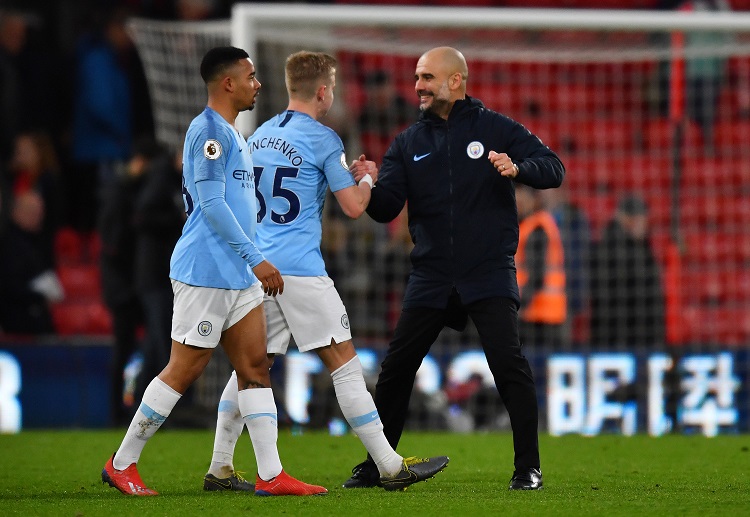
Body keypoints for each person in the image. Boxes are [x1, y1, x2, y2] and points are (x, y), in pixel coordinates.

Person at [204, 50, 448, 493]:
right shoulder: (323, 139)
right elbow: (355, 208)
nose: (333, 95)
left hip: (261, 270)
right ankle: (391, 467)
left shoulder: (258, 134)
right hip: (300, 271)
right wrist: (368, 176)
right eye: (332, 88)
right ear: (322, 91)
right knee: (344, 364)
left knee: (253, 368)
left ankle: (220, 466)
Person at [101, 46, 326, 497]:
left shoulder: (233, 134)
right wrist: (257, 257)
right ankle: (121, 463)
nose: (257, 83)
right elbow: (211, 206)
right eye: (251, 76)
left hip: (238, 276)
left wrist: (253, 259)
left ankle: (270, 474)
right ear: (228, 83)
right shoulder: (207, 132)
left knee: (255, 367)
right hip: (205, 272)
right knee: (184, 370)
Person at [346, 46, 565, 491]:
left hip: (487, 271)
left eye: (427, 77)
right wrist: (367, 182)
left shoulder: (496, 128)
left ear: (455, 81)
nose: (418, 86)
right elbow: (386, 209)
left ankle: (528, 467)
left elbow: (554, 169)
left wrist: (518, 166)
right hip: (431, 274)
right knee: (397, 367)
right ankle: (378, 464)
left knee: (508, 365)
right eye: (416, 77)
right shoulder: (408, 143)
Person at [589, 195, 666, 348]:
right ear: (627, 219)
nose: (644, 224)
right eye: (640, 218)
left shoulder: (639, 247)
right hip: (623, 336)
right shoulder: (616, 250)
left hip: (631, 334)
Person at [0, 190, 62, 335]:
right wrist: (40, 297)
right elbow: (9, 285)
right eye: (32, 211)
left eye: (40, 212)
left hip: (38, 320)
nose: (38, 216)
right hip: (17, 323)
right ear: (15, 212)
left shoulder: (38, 241)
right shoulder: (9, 245)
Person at [515, 183, 567, 349]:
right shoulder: (532, 225)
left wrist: (519, 306)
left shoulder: (537, 227)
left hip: (538, 317)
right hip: (543, 315)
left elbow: (536, 274)